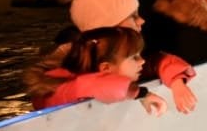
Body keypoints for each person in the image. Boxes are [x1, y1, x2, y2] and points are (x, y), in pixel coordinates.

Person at [54, 0, 197, 113]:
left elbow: (156, 62)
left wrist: (177, 81)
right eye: (133, 17)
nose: (142, 20)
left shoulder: (121, 56)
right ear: (110, 26)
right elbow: (87, 85)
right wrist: (137, 92)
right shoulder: (69, 70)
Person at [27, 26, 166, 115]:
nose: (142, 61)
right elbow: (99, 85)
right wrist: (140, 93)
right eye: (134, 57)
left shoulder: (76, 81)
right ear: (106, 68)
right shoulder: (68, 88)